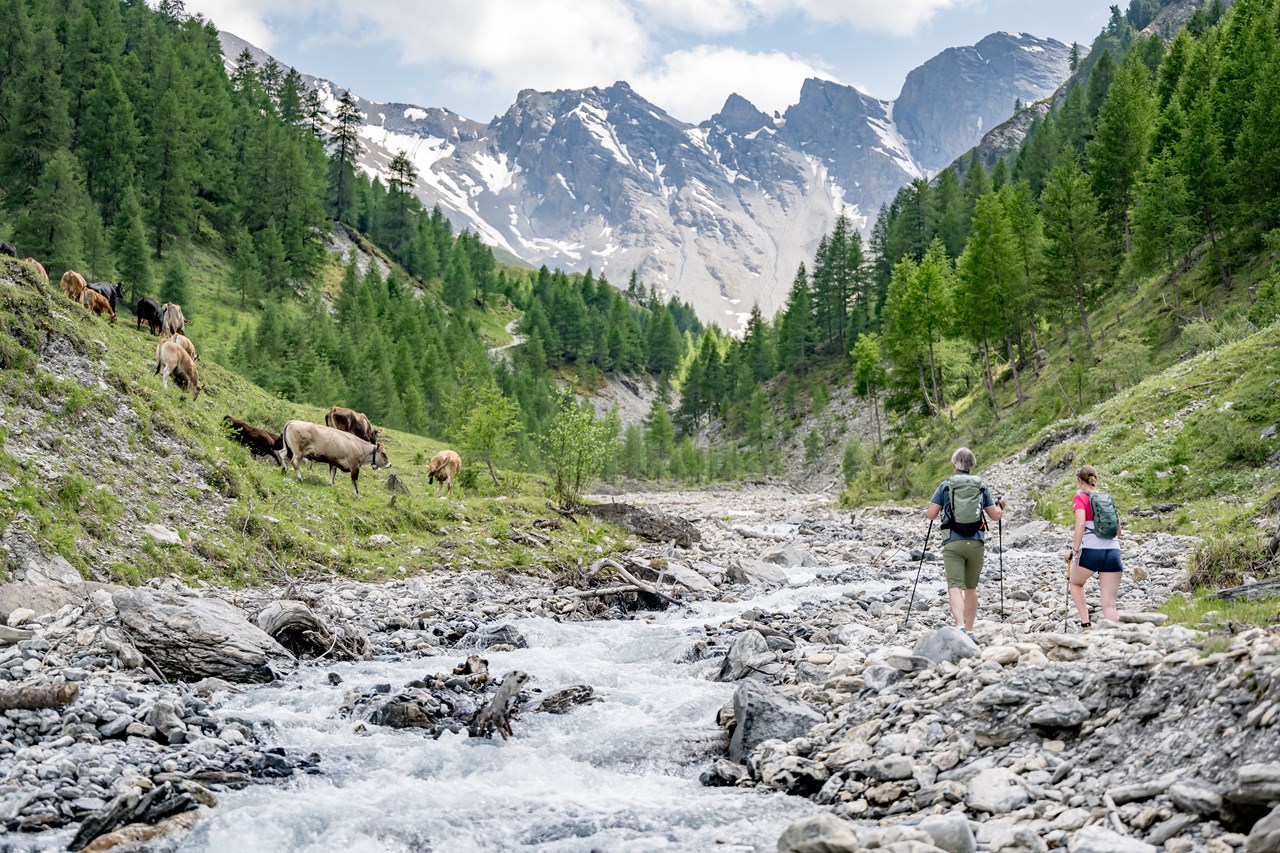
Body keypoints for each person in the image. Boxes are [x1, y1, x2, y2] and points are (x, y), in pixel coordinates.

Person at [926, 447, 1005, 636]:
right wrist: (1001, 506)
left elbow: (930, 514)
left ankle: (960, 625)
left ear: (954, 465)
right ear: (972, 465)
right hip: (976, 542)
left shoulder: (945, 486)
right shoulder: (981, 486)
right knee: (971, 588)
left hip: (953, 542)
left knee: (954, 586)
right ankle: (970, 629)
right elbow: (995, 516)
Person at [1066, 465, 1123, 629]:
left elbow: (1081, 522)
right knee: (1110, 604)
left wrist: (1074, 551)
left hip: (1091, 553)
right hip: (1113, 552)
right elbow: (1119, 531)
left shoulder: (1080, 498)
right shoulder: (1107, 498)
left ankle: (1086, 625)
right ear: (1095, 479)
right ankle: (1113, 637)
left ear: (1079, 480)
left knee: (1076, 583)